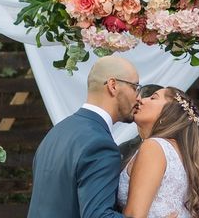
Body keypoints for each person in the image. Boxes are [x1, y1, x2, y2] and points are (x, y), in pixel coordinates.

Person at [27, 55, 142, 218]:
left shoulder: (57, 132)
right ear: (113, 85)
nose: (138, 97)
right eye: (135, 87)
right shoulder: (101, 145)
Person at [118, 87, 199, 218]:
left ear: (169, 114)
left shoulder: (154, 147)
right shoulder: (180, 152)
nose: (141, 100)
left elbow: (133, 215)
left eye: (153, 97)